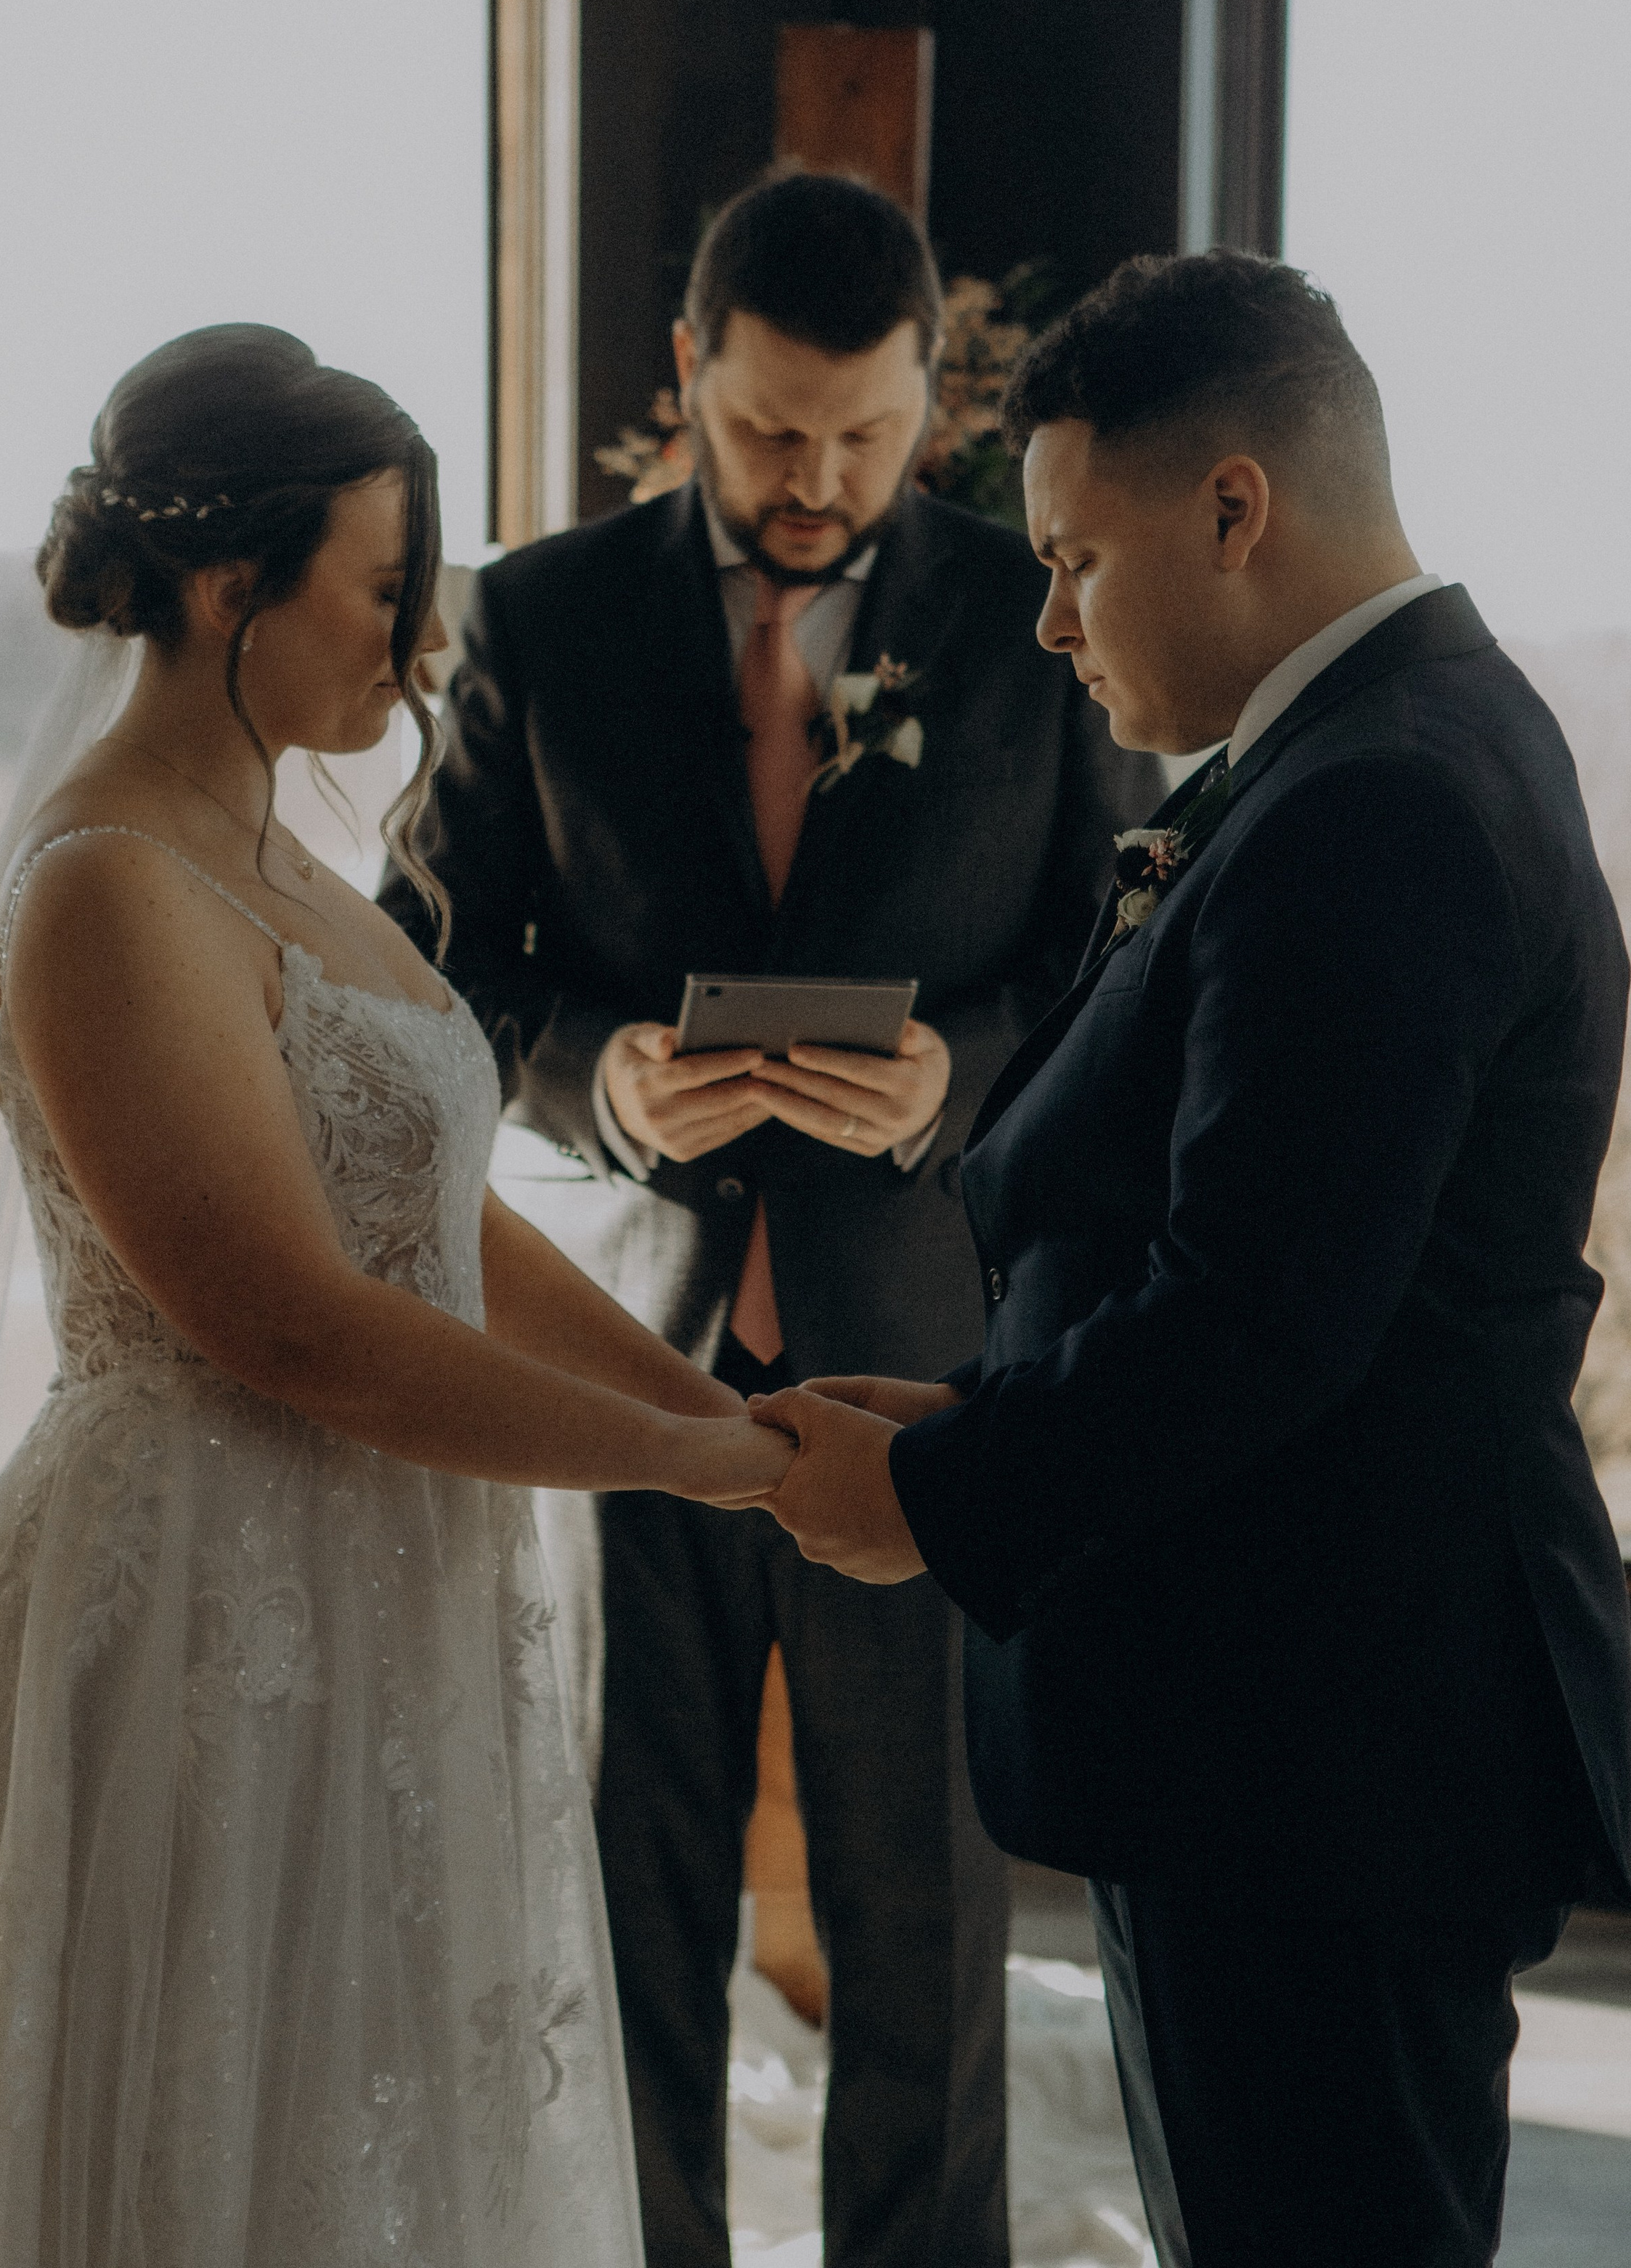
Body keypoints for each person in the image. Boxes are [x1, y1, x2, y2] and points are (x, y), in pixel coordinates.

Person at [0, 324, 790, 2268]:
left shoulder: (287, 869)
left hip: (386, 1581)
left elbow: (448, 1229)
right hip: (206, 1595)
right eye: (383, 587)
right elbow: (290, 1322)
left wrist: (726, 1411)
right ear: (221, 583)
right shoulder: (107, 883)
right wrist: (702, 1470)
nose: (423, 645)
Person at [750, 250, 1631, 2268]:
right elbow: (1258, 1245)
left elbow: (1266, 1315)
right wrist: (973, 1406)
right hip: (1286, 1719)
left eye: (1075, 559)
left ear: (1234, 507)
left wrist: (939, 1494)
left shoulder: (1378, 801)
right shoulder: (1379, 745)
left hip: (1324, 1745)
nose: (1049, 621)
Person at [381, 172, 1153, 2268]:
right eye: (767, 430)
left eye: (865, 436)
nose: (815, 480)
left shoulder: (1032, 618)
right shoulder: (541, 619)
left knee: (928, 1900)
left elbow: (1121, 964)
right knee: (627, 1889)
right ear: (689, 377)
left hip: (926, 1359)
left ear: (932, 403)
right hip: (624, 1360)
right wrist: (594, 1083)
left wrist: (958, 1079)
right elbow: (426, 971)